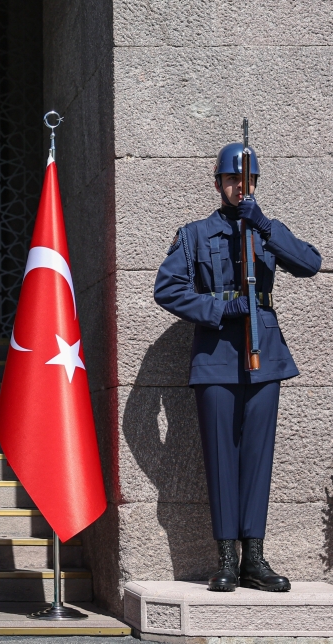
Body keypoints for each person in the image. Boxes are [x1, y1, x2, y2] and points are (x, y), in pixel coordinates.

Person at [154, 142, 321, 592]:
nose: (238, 186)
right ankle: (226, 558)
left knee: (257, 458)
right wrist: (219, 308)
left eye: (245, 180)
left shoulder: (265, 229)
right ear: (218, 184)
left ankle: (256, 559)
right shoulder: (194, 235)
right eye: (231, 180)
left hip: (264, 356)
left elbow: (311, 263)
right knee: (221, 458)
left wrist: (265, 226)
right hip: (216, 357)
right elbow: (167, 289)